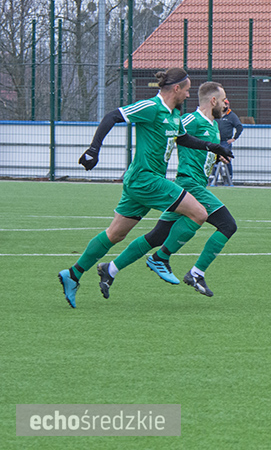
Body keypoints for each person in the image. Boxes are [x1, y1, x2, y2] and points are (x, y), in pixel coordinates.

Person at [57, 68, 232, 308]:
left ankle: (73, 274)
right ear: (176, 88)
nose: (189, 95)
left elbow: (183, 139)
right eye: (188, 90)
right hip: (146, 179)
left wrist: (213, 148)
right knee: (199, 213)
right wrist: (93, 149)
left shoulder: (172, 115)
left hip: (142, 182)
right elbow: (112, 116)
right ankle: (161, 258)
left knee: (115, 234)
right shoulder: (151, 107)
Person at [96, 82, 237, 298]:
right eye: (224, 98)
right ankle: (194, 272)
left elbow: (198, 146)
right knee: (227, 225)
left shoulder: (213, 125)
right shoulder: (191, 119)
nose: (226, 104)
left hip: (190, 187)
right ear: (213, 101)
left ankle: (111, 269)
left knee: (157, 236)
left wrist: (216, 155)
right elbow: (174, 134)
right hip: (189, 185)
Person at [212, 97, 243, 185]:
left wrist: (234, 138)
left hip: (225, 142)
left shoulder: (232, 116)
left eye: (225, 104)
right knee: (214, 160)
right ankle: (214, 179)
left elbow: (239, 127)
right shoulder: (216, 114)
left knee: (226, 159)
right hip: (216, 141)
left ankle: (229, 178)